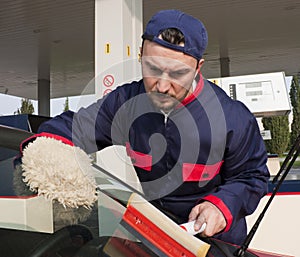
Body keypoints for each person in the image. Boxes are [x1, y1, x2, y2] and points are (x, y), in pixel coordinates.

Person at [33, 9, 270, 245]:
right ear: (140, 56)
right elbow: (73, 129)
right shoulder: (124, 105)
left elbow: (252, 176)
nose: (162, 86)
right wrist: (47, 155)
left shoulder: (232, 117)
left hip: (219, 243)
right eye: (153, 69)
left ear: (198, 68)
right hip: (155, 240)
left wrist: (222, 206)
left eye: (178, 74)